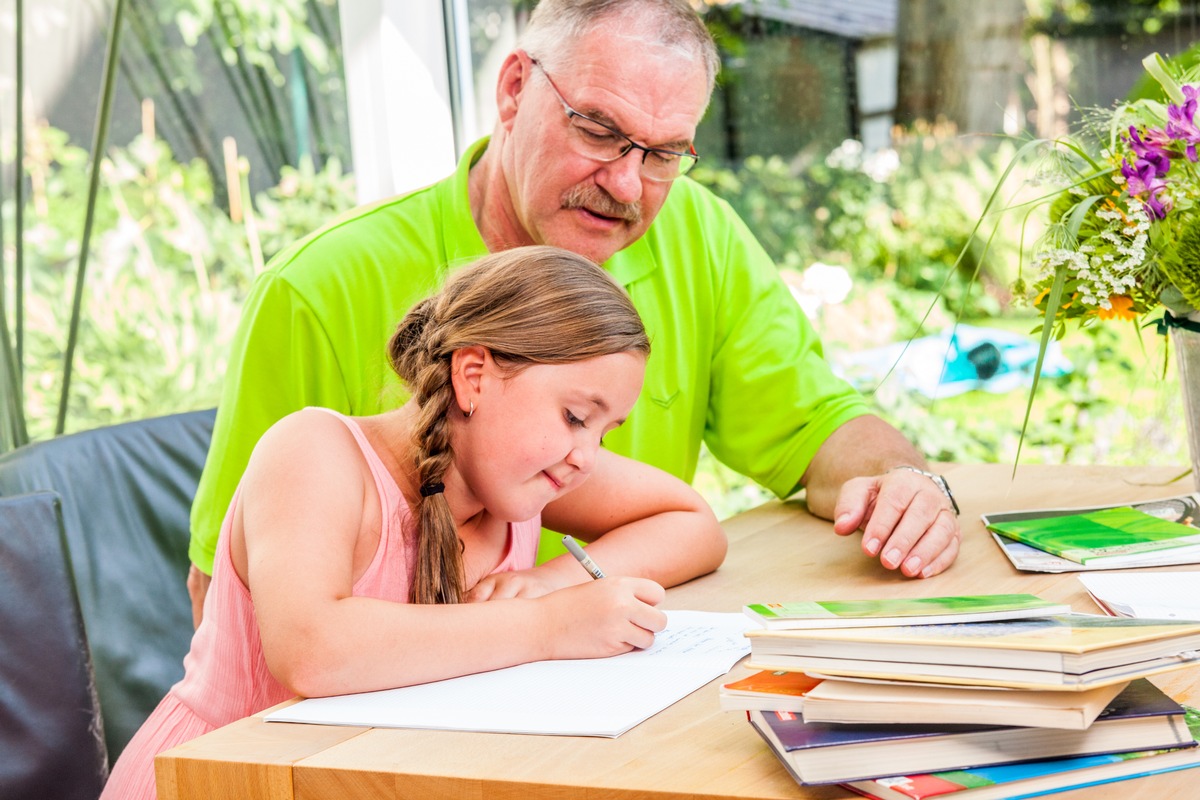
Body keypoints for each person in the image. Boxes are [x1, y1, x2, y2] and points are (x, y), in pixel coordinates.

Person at [187, 0, 961, 625]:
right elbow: (222, 597)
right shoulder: (320, 286)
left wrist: (902, 484)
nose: (628, 186)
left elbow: (819, 426)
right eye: (599, 130)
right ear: (515, 89)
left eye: (663, 155)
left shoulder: (702, 235)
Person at [100, 246, 728, 799]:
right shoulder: (317, 453)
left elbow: (692, 522)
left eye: (604, 428)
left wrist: (550, 581)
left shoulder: (523, 477)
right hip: (223, 784)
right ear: (473, 375)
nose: (585, 457)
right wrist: (548, 624)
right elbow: (313, 650)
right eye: (573, 416)